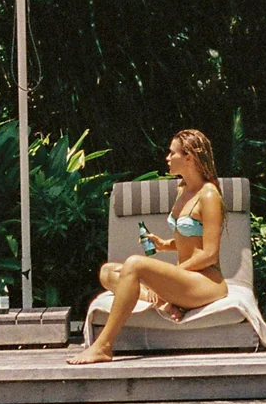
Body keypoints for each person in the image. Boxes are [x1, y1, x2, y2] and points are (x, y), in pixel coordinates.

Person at [68, 129, 231, 365]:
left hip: (206, 281)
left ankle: (103, 346)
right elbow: (190, 239)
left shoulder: (208, 195)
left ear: (189, 157)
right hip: (185, 280)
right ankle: (168, 302)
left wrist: (174, 274)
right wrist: (164, 245)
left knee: (134, 265)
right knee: (108, 272)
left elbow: (209, 254)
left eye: (172, 153)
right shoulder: (183, 190)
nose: (167, 157)